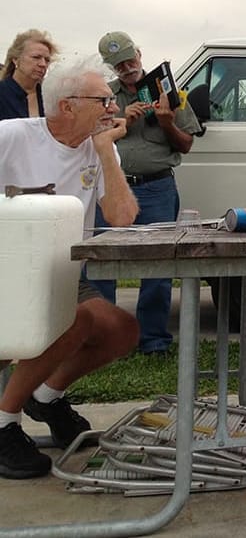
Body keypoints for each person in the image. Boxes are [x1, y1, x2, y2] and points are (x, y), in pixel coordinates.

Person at [0, 54, 140, 479]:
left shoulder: (100, 148)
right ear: (68, 105)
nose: (113, 107)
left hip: (63, 273)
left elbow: (121, 218)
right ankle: (4, 425)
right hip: (11, 271)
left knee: (120, 330)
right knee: (71, 322)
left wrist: (106, 154)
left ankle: (45, 396)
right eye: (104, 99)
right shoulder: (13, 136)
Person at [91, 31, 201, 355]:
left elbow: (187, 144)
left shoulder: (169, 92)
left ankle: (153, 341)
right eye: (119, 64)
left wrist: (167, 122)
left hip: (157, 187)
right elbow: (86, 138)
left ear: (139, 54)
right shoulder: (102, 97)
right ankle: (102, 340)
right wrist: (122, 119)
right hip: (110, 187)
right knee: (101, 264)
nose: (127, 67)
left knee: (158, 268)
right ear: (110, 67)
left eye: (130, 59)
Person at [0, 29, 58, 120]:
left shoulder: (49, 98)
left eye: (47, 60)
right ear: (15, 59)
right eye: (36, 57)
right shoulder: (3, 94)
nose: (43, 64)